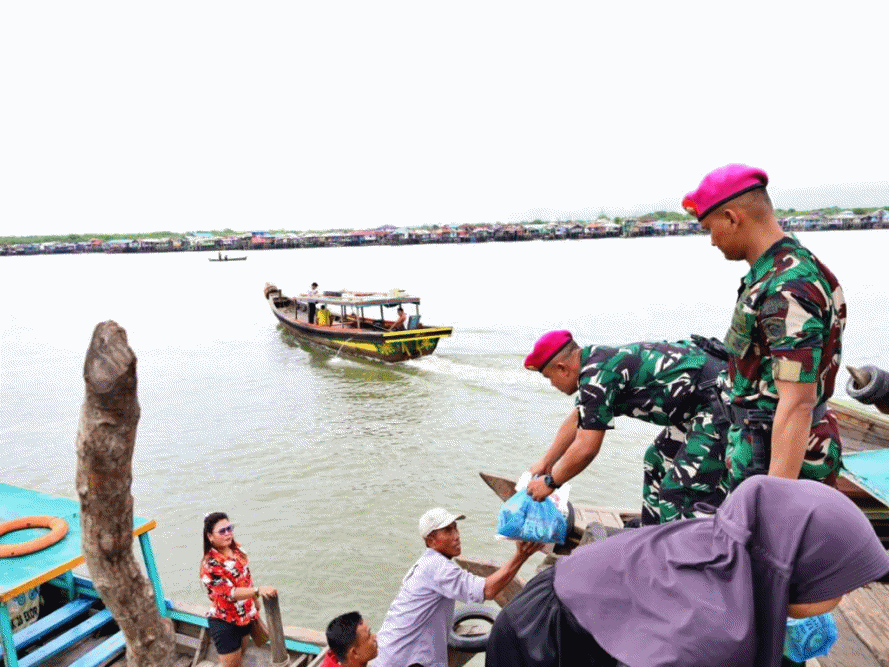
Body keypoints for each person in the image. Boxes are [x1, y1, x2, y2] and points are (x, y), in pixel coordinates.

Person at [486, 475, 889, 667]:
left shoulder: (732, 541)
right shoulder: (708, 638)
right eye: (840, 586)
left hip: (575, 603)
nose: (842, 600)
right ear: (790, 573)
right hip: (542, 639)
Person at [683, 164, 846, 489]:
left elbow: (797, 401)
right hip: (763, 446)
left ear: (731, 217)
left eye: (709, 228)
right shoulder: (787, 267)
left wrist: (775, 500)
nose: (712, 241)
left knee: (774, 540)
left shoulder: (786, 288)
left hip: (778, 458)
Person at [523, 330, 729, 524]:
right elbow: (577, 418)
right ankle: (651, 537)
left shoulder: (596, 377)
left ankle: (684, 553)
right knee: (656, 459)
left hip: (719, 401)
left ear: (562, 368)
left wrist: (550, 483)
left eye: (549, 377)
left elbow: (586, 448)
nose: (552, 384)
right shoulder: (595, 363)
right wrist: (546, 462)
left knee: (678, 491)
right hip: (700, 402)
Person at [373, 508, 541, 667]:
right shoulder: (438, 568)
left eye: (455, 528)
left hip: (389, 654)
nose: (457, 536)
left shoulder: (427, 564)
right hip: (402, 661)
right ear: (431, 541)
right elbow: (487, 590)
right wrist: (521, 556)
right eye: (448, 531)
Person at [200, 512, 277, 667]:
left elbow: (246, 577)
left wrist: (255, 601)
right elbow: (230, 593)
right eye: (222, 531)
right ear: (210, 536)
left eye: (229, 528)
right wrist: (257, 591)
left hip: (245, 617)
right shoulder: (210, 565)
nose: (228, 533)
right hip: (224, 621)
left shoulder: (238, 551)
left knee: (240, 657)